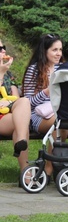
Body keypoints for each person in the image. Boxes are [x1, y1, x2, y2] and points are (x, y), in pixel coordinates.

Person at [23, 34, 64, 137]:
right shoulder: (34, 70)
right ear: (44, 51)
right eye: (54, 50)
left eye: (60, 50)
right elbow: (27, 104)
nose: (59, 54)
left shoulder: (62, 69)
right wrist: (46, 91)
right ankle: (54, 153)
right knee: (61, 123)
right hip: (37, 114)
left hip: (59, 111)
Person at [0, 41, 31, 170]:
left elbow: (16, 99)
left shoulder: (8, 74)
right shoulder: (3, 72)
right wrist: (0, 73)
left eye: (3, 48)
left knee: (24, 102)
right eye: (0, 48)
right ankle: (26, 173)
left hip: (6, 115)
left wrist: (10, 102)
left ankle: (21, 142)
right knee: (21, 126)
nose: (3, 51)